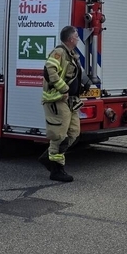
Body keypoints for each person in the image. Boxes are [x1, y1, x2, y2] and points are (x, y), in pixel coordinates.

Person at [39, 25, 91, 182]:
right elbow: (49, 70)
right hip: (58, 100)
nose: (77, 38)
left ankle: (47, 157)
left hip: (71, 102)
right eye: (76, 36)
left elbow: (77, 72)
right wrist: (63, 89)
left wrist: (86, 83)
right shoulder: (59, 52)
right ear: (70, 39)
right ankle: (56, 170)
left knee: (73, 133)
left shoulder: (72, 54)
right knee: (59, 136)